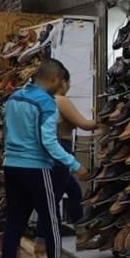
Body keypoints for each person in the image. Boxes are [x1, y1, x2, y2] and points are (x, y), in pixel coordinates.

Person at [0, 59, 89, 258]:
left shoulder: (14, 98)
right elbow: (48, 142)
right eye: (61, 81)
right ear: (54, 79)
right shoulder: (46, 103)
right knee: (51, 223)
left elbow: (6, 132)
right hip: (37, 169)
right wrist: (75, 164)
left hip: (12, 166)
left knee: (13, 226)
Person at [53, 68, 98, 223]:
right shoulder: (60, 100)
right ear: (63, 82)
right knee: (56, 197)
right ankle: (47, 239)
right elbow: (84, 124)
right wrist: (108, 119)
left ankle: (79, 229)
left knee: (73, 190)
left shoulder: (45, 99)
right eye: (69, 82)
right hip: (60, 149)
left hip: (54, 150)